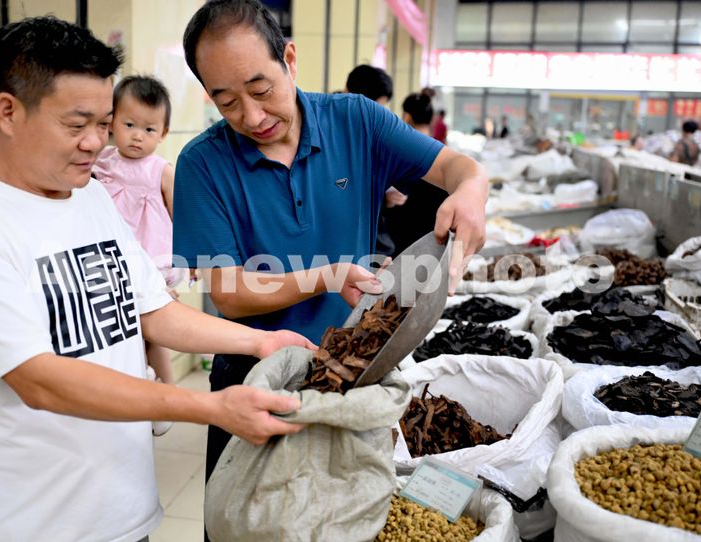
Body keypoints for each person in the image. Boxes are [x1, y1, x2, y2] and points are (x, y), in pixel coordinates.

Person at [0, 16, 314, 542]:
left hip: (124, 516)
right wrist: (210, 408)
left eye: (104, 123)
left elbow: (153, 310)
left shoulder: (90, 196)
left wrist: (260, 342)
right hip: (32, 526)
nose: (95, 142)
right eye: (75, 124)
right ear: (8, 111)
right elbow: (38, 379)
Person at [173, 0, 488, 487]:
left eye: (261, 89)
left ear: (289, 59)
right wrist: (327, 276)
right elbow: (229, 292)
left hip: (356, 367)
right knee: (242, 516)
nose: (253, 116)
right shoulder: (201, 164)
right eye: (228, 102)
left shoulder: (356, 121)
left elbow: (455, 168)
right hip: (254, 380)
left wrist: (473, 189)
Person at [92, 75, 177, 435]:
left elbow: (182, 218)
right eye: (129, 125)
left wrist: (186, 266)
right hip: (110, 262)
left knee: (153, 331)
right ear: (111, 122)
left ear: (163, 133)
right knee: (122, 332)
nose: (138, 136)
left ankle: (167, 397)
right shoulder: (102, 161)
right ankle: (138, 392)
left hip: (151, 262)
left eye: (149, 129)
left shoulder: (161, 171)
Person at [344, 64, 405, 256]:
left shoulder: (368, 131)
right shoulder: (333, 133)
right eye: (378, 108)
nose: (381, 115)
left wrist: (385, 197)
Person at [383, 93, 450, 258]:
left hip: (400, 240)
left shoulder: (396, 152)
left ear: (406, 116)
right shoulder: (443, 154)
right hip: (433, 240)